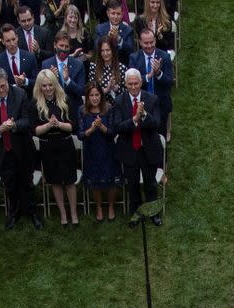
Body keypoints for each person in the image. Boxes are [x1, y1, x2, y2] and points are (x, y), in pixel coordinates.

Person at [0, 66, 43, 230]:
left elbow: (27, 120)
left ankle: (32, 212)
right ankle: (14, 212)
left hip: (21, 147)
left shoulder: (19, 94)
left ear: (7, 82)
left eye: (4, 85)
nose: (2, 89)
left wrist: (13, 125)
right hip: (0, 150)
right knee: (10, 184)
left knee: (27, 182)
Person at [111, 68, 163, 226]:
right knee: (132, 185)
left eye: (136, 83)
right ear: (125, 84)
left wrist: (145, 115)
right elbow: (117, 126)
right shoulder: (119, 101)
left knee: (150, 184)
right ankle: (136, 213)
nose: (133, 87)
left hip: (148, 149)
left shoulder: (152, 99)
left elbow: (156, 123)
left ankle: (153, 213)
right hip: (129, 150)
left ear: (141, 82)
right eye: (130, 84)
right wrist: (134, 119)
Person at [32, 69, 78, 226]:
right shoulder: (35, 104)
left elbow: (73, 127)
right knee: (55, 182)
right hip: (47, 147)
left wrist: (58, 124)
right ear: (39, 86)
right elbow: (35, 130)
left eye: (50, 85)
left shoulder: (65, 99)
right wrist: (48, 126)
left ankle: (73, 213)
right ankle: (63, 215)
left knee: (70, 181)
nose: (47, 88)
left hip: (65, 144)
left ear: (55, 84)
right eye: (44, 86)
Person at [79, 83, 120, 222]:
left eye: (97, 95)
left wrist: (101, 126)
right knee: (95, 181)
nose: (95, 98)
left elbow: (113, 132)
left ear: (101, 96)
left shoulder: (109, 109)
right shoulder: (82, 111)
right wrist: (90, 130)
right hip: (91, 150)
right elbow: (80, 134)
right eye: (92, 95)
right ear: (87, 97)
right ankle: (98, 207)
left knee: (111, 180)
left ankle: (111, 206)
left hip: (108, 150)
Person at [129, 28, 173, 138]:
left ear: (155, 41)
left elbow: (169, 82)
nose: (149, 46)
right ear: (140, 42)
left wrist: (158, 73)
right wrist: (148, 76)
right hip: (141, 105)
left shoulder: (165, 57)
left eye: (151, 42)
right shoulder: (134, 58)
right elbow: (132, 82)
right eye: (146, 43)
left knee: (160, 137)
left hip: (161, 104)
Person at [42, 30, 86, 117]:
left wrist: (68, 80)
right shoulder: (46, 64)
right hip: (54, 109)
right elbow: (42, 91)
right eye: (61, 45)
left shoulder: (78, 64)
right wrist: (52, 79)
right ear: (55, 45)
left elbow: (81, 91)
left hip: (74, 109)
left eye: (67, 46)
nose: (64, 49)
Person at [0, 23, 38, 93]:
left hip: (28, 97)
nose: (12, 44)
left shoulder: (30, 57)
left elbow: (37, 81)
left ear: (17, 37)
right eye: (8, 41)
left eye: (13, 39)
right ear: (3, 41)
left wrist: (25, 81)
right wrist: (13, 87)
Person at [88, 36, 126, 105]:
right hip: (100, 107)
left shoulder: (122, 68)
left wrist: (116, 90)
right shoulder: (93, 68)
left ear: (112, 50)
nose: (105, 54)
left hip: (117, 108)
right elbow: (91, 92)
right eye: (102, 51)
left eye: (108, 50)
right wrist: (106, 90)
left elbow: (126, 94)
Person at [94, 0, 134, 65]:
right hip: (104, 65)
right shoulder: (100, 28)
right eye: (113, 13)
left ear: (122, 14)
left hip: (122, 65)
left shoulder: (128, 30)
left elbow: (131, 50)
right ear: (107, 14)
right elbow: (96, 48)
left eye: (118, 14)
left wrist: (119, 39)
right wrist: (107, 38)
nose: (115, 17)